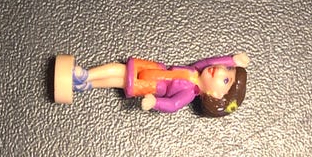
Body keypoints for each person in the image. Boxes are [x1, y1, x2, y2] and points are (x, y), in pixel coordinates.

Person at [54, 52, 249, 115]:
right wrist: (232, 60)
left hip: (152, 85)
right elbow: (209, 62)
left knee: (118, 78)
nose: (220, 71)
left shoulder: (189, 93)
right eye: (227, 69)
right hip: (155, 70)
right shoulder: (196, 70)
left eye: (226, 80)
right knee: (119, 71)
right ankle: (85, 79)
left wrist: (155, 102)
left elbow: (173, 105)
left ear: (216, 95)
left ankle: (85, 80)